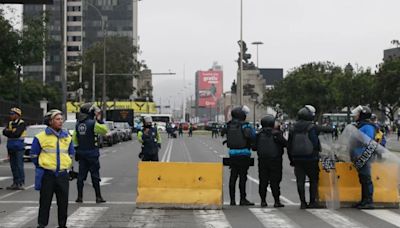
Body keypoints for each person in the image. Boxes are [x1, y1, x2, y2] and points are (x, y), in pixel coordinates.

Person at [30, 109, 75, 228]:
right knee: (45, 202)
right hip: (47, 175)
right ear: (50, 121)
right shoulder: (40, 137)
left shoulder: (67, 136)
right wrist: (42, 166)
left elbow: (71, 153)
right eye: (57, 119)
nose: (61, 121)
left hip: (62, 175)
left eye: (61, 119)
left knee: (63, 202)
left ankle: (62, 225)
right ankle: (42, 224)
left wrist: (68, 165)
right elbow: (34, 155)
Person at [288, 105, 333, 209]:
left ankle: (302, 203)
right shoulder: (312, 127)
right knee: (314, 180)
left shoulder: (293, 128)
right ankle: (313, 202)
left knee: (300, 181)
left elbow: (289, 145)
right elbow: (328, 129)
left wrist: (291, 159)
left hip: (297, 158)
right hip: (311, 158)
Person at [73, 103, 109, 203]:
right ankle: (98, 197)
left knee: (81, 176)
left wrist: (77, 150)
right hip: (92, 153)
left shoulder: (78, 124)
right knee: (95, 176)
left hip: (81, 153)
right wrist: (99, 119)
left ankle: (79, 197)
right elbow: (104, 130)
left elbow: (74, 139)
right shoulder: (92, 123)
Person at [221, 105, 256, 206]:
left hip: (232, 154)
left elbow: (224, 133)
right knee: (243, 177)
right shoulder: (246, 125)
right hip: (244, 153)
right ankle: (242, 199)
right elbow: (252, 136)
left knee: (233, 177)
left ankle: (232, 200)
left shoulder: (229, 125)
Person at [255, 114, 287, 207]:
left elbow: (254, 147)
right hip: (275, 160)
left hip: (262, 160)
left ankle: (263, 201)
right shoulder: (277, 134)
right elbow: (285, 144)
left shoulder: (259, 134)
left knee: (263, 181)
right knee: (275, 182)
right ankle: (276, 201)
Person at [351, 106, 376, 209]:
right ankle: (364, 200)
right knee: (362, 179)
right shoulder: (360, 125)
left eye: (357, 114)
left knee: (366, 178)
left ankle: (369, 201)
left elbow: (367, 140)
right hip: (358, 155)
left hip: (364, 156)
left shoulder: (368, 126)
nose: (355, 116)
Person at [2, 107, 26, 190]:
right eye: (10, 114)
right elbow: (4, 132)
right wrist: (10, 132)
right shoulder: (10, 123)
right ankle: (15, 182)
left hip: (19, 147)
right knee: (13, 166)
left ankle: (20, 182)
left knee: (19, 165)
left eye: (12, 114)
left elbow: (17, 134)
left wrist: (10, 132)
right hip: (11, 147)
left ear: (17, 115)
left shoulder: (22, 123)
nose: (11, 116)